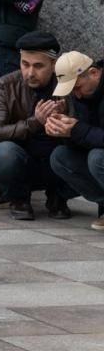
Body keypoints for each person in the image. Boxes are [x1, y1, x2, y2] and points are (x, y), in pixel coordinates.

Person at [0, 31, 75, 220]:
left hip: (55, 161)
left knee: (83, 155)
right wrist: (35, 122)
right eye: (25, 64)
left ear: (54, 64)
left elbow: (87, 128)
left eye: (38, 66)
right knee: (4, 152)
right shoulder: (5, 84)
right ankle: (19, 200)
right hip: (21, 162)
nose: (30, 73)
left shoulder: (69, 84)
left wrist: (66, 118)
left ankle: (58, 197)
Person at [46, 52, 104, 231]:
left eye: (78, 87)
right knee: (60, 157)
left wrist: (77, 129)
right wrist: (64, 132)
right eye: (73, 91)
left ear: (94, 73)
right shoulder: (84, 96)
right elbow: (85, 139)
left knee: (97, 158)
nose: (77, 95)